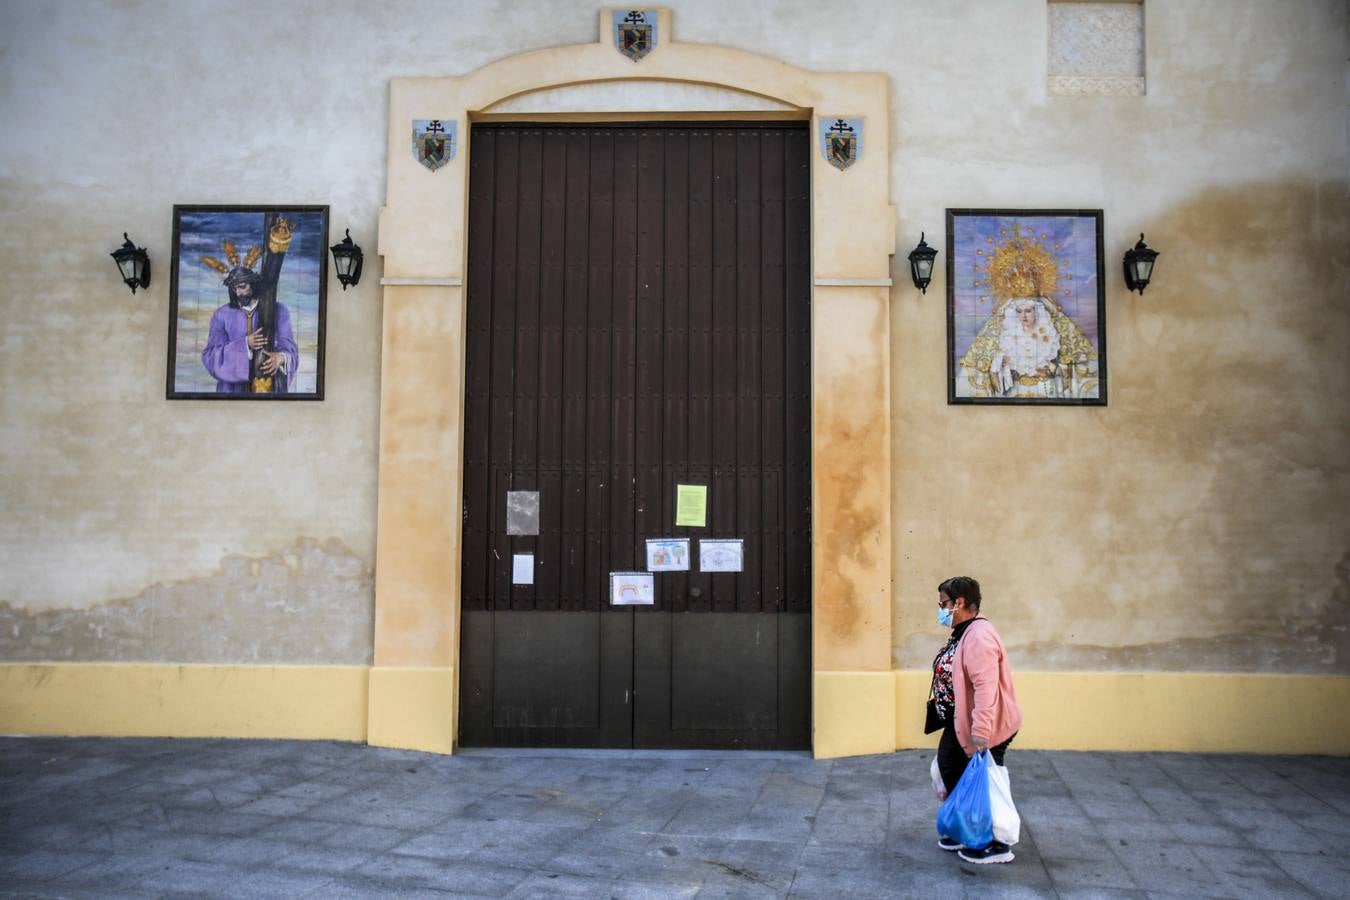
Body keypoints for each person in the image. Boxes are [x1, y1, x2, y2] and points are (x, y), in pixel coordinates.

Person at [930, 575, 1022, 864]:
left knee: (987, 780)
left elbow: (986, 687)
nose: (941, 609)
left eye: (943, 603)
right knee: (949, 766)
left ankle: (996, 843)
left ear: (959, 603)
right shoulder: (965, 630)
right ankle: (966, 827)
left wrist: (981, 731)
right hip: (962, 720)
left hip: (987, 724)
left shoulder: (979, 636)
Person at [200, 217, 298, 394]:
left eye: (242, 287)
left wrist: (281, 358)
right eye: (234, 288)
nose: (238, 293)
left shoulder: (279, 311)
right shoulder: (221, 315)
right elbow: (210, 356)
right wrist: (245, 344)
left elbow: (290, 349)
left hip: (268, 387)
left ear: (252, 284)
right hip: (231, 391)